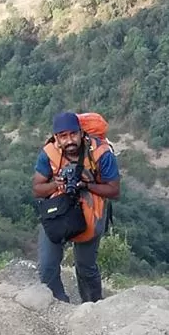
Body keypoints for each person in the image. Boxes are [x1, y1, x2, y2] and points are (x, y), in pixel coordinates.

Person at [32, 111, 120, 303]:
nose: (69, 140)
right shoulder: (49, 153)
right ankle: (58, 305)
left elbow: (114, 191)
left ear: (81, 133)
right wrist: (57, 184)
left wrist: (85, 184)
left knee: (86, 266)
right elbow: (37, 189)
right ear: (56, 138)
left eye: (73, 134)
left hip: (90, 207)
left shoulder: (101, 153)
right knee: (47, 266)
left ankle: (93, 306)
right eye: (63, 136)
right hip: (59, 207)